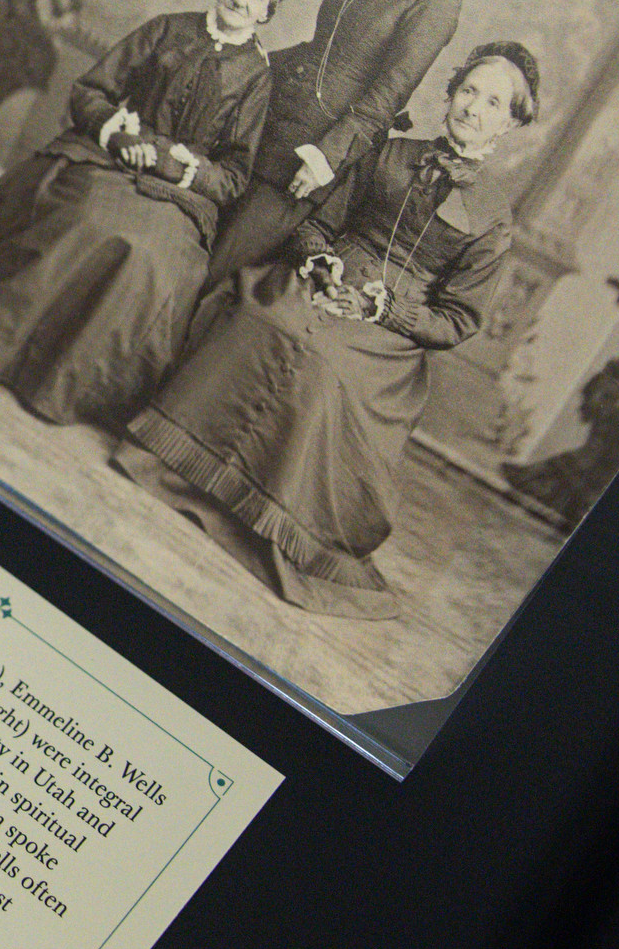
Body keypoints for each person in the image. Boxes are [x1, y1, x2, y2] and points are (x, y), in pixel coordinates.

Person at [118, 40, 540, 619]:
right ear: (451, 90)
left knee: (325, 368)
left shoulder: (495, 219)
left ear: (511, 123)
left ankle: (267, 520)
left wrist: (386, 309)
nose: (473, 108)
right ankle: (181, 466)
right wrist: (322, 259)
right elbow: (319, 222)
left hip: (389, 335)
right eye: (469, 90)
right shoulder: (390, 153)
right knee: (261, 317)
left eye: (494, 102)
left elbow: (459, 319)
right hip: (329, 274)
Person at [0, 0, 287, 425]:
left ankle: (59, 385)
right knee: (88, 219)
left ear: (266, 11)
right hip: (110, 160)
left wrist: (175, 165)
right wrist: (119, 135)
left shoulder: (256, 78)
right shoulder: (166, 29)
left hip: (176, 195)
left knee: (148, 258)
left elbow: (233, 178)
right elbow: (90, 91)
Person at [204, 0, 490, 286]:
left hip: (307, 152)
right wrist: (246, 57)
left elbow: (391, 91)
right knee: (189, 234)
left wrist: (327, 157)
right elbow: (324, 48)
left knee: (213, 270)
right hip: (269, 114)